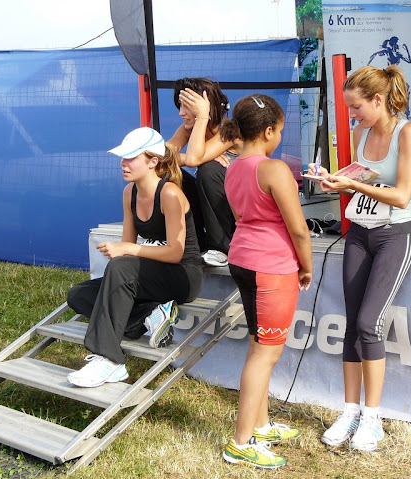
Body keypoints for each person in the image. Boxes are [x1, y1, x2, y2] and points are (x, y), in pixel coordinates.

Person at [309, 65, 411, 451]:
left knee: (369, 323)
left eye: (356, 107)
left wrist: (353, 183)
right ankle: (350, 410)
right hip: (359, 231)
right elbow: (358, 180)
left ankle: (372, 417)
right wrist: (331, 180)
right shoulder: (361, 133)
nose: (352, 115)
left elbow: (402, 195)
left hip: (395, 234)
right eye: (349, 108)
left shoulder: (409, 133)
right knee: (351, 326)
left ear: (378, 100)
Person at [66, 127, 203, 388]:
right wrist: (123, 249)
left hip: (184, 275)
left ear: (153, 162)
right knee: (78, 295)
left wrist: (126, 251)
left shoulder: (171, 194)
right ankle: (149, 315)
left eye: (131, 158)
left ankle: (109, 359)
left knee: (120, 267)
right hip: (151, 272)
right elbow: (128, 244)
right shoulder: (129, 193)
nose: (123, 163)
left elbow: (175, 253)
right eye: (122, 157)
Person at [219, 94, 313, 469]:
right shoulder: (273, 170)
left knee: (260, 346)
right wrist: (306, 266)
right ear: (270, 131)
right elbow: (299, 230)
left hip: (243, 258)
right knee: (265, 353)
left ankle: (259, 424)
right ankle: (242, 443)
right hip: (271, 266)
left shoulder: (233, 166)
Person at [165, 77, 241, 267]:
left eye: (187, 107)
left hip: (235, 210)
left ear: (207, 106)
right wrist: (185, 159)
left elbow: (192, 160)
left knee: (208, 170)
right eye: (180, 106)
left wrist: (202, 118)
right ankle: (192, 242)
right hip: (209, 206)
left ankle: (223, 248)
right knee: (171, 175)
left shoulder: (229, 130)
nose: (181, 113)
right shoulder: (187, 129)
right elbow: (160, 159)